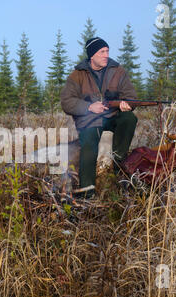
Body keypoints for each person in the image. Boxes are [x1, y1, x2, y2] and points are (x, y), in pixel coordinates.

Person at [61, 37, 138, 200]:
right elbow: (67, 102)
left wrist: (127, 104)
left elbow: (131, 96)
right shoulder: (77, 75)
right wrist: (89, 107)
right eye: (102, 52)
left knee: (129, 118)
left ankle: (118, 163)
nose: (106, 55)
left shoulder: (118, 71)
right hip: (90, 121)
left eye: (107, 51)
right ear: (92, 56)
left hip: (113, 117)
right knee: (89, 146)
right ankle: (87, 193)